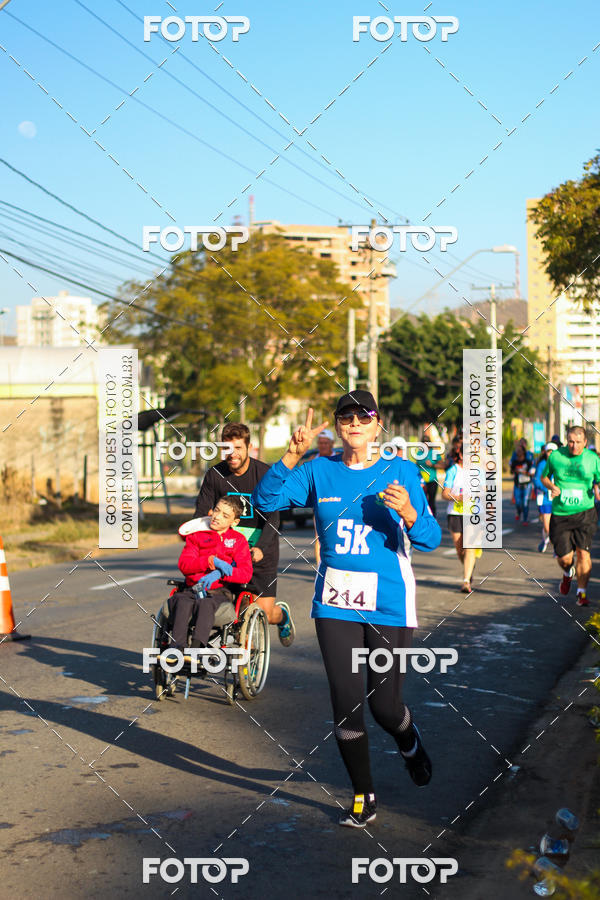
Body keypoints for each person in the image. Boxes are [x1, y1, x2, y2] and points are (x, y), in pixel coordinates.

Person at [251, 391, 441, 828]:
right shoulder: (319, 470)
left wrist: (410, 512)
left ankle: (409, 742)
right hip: (335, 604)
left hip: (388, 604)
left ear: (377, 424)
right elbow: (265, 501)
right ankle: (363, 794)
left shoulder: (401, 471)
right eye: (346, 416)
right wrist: (291, 455)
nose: (354, 422)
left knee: (385, 708)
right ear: (338, 425)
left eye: (363, 415)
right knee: (346, 705)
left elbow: (430, 538)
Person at [195, 422, 295, 646]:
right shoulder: (214, 475)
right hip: (227, 552)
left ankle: (282, 616)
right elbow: (200, 515)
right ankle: (234, 650)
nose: (233, 454)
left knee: (265, 614)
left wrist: (260, 548)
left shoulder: (265, 474)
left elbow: (274, 519)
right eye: (227, 448)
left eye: (238, 448)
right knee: (224, 606)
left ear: (249, 447)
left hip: (260, 550)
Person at [168, 497, 253, 650]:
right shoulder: (196, 536)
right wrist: (210, 561)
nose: (217, 516)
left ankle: (197, 647)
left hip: (219, 592)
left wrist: (222, 573)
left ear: (234, 522)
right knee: (181, 601)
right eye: (216, 510)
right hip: (193, 588)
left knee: (206, 603)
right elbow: (184, 565)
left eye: (225, 516)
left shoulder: (238, 541)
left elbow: (245, 573)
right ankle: (177, 648)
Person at [541, 425, 600, 607]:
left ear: (585, 442)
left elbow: (598, 480)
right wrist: (552, 487)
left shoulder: (593, 459)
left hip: (585, 513)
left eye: (578, 442)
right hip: (561, 514)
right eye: (571, 442)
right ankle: (567, 573)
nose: (574, 446)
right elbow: (544, 477)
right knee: (564, 559)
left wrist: (597, 489)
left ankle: (581, 593)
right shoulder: (556, 456)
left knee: (583, 553)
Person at [442, 440, 478, 593]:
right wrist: (457, 498)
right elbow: (444, 493)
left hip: (473, 513)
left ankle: (466, 581)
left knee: (470, 547)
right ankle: (469, 568)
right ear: (461, 455)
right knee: (459, 549)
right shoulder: (453, 471)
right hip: (455, 513)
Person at [533, 442, 557, 552]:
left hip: (557, 499)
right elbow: (537, 480)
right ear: (545, 452)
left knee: (556, 525)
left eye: (552, 451)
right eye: (548, 451)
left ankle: (554, 546)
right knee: (547, 526)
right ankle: (549, 541)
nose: (550, 453)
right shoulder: (542, 464)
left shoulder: (560, 464)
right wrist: (547, 488)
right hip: (545, 498)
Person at [510, 440, 535, 524]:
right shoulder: (515, 462)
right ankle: (518, 511)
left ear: (524, 452)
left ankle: (525, 519)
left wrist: (524, 472)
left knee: (525, 502)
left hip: (527, 485)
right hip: (517, 484)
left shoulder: (528, 461)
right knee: (518, 503)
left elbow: (532, 473)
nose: (518, 453)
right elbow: (511, 471)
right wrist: (515, 471)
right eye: (517, 451)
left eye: (520, 451)